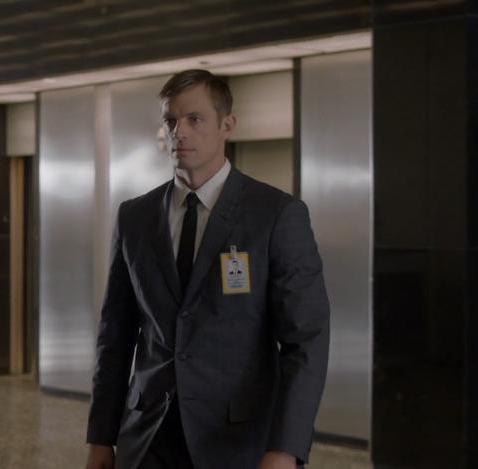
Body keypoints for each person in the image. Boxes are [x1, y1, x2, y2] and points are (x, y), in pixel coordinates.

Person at [85, 70, 330, 469]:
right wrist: (100, 437)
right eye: (170, 121)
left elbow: (307, 341)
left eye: (194, 119)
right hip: (148, 438)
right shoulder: (135, 217)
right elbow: (115, 335)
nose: (179, 132)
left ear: (226, 125)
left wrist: (285, 447)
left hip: (237, 440)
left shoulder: (275, 215)